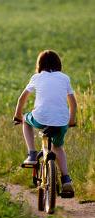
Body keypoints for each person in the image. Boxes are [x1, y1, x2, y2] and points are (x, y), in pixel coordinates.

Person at [13, 50, 77, 196]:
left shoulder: (36, 77)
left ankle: (32, 154)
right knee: (58, 147)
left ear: (39, 65)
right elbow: (73, 103)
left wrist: (18, 115)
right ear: (58, 64)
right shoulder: (64, 78)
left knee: (26, 121)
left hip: (40, 117)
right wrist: (71, 121)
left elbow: (22, 98)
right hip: (61, 120)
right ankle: (66, 179)